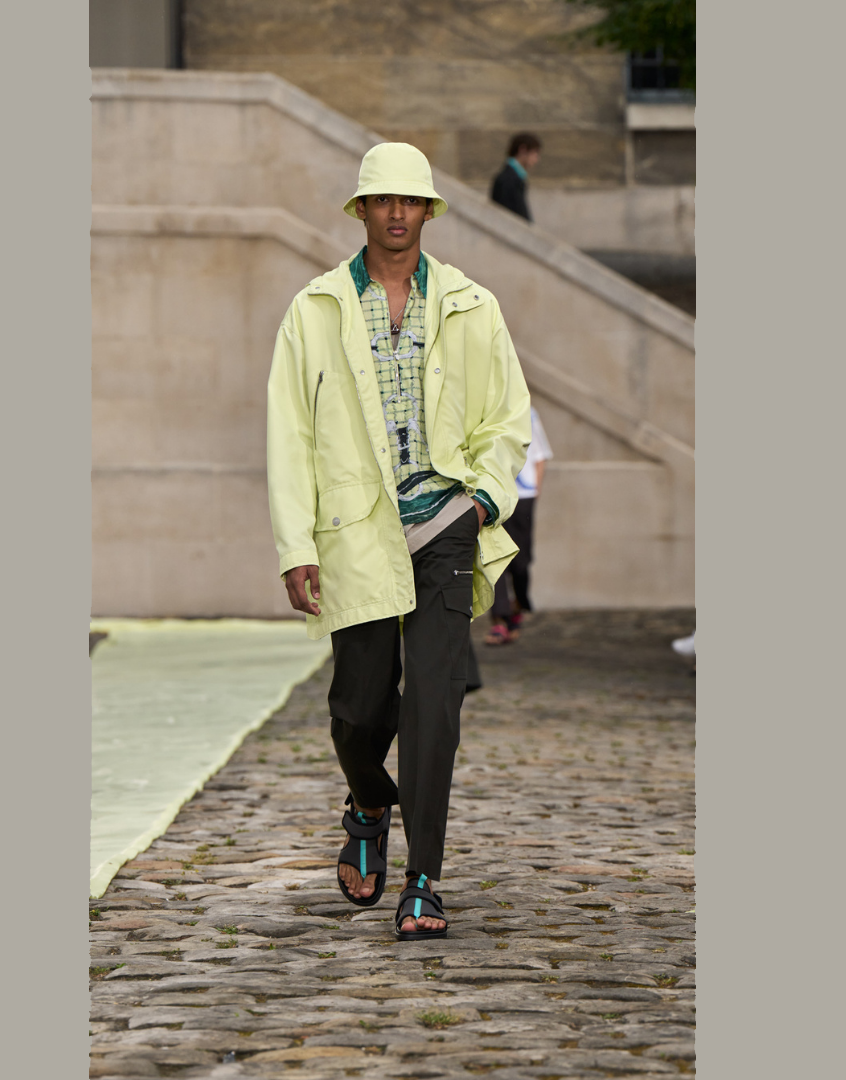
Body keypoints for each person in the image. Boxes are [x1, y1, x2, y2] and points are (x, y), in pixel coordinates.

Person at [266, 143, 531, 940]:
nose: (394, 213)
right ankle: (368, 803)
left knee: (434, 710)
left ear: (426, 211)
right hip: (356, 534)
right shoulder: (315, 310)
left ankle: (425, 881)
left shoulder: (471, 306)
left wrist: (484, 501)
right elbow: (289, 435)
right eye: (381, 200)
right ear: (361, 210)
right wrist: (295, 545)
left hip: (447, 524)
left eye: (408, 200)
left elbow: (507, 415)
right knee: (358, 709)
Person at [485, 406, 553, 645]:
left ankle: (518, 605)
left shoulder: (528, 412)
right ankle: (499, 620)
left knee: (521, 562)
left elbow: (540, 455)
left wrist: (536, 491)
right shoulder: (484, 405)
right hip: (494, 494)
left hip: (523, 496)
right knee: (494, 556)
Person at [490, 132, 542, 222]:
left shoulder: (514, 176)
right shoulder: (507, 179)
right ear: (523, 150)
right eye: (534, 153)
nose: (536, 159)